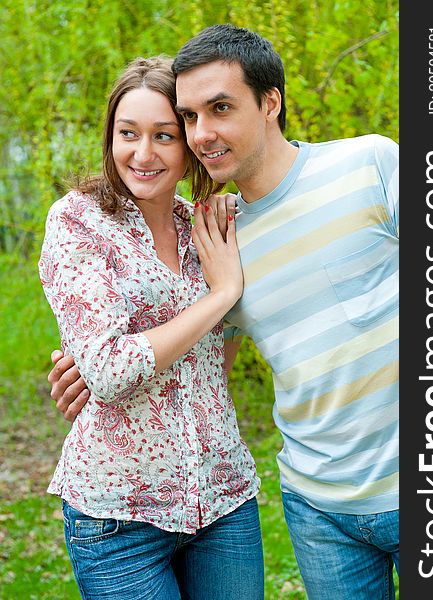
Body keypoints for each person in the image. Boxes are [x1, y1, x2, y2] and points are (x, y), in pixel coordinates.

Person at [49, 25, 399, 599]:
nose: (199, 133)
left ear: (270, 102)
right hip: (301, 507)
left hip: (393, 489)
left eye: (215, 111)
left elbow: (215, 360)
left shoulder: (358, 169)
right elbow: (178, 358)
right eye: (189, 118)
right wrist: (91, 365)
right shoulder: (183, 230)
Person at [38, 54, 264, 600]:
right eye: (127, 133)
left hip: (223, 499)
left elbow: (218, 360)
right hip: (119, 517)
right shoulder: (78, 221)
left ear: (190, 143)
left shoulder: (206, 227)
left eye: (164, 135)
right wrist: (221, 295)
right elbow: (112, 370)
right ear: (109, 136)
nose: (143, 154)